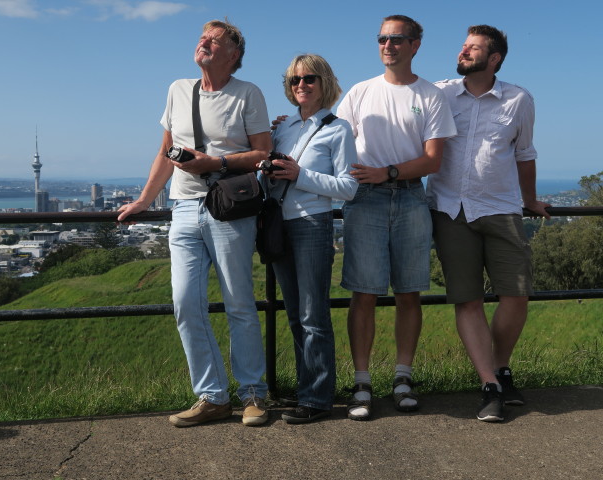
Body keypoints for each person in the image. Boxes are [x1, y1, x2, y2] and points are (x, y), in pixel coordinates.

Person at [117, 19, 272, 427]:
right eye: (202, 37)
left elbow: (262, 154)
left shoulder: (247, 94)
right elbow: (165, 151)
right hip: (183, 207)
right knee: (185, 304)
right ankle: (212, 396)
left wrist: (215, 162)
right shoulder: (177, 89)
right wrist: (144, 201)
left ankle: (253, 394)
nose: (203, 43)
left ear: (233, 54)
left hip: (229, 208)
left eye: (214, 40)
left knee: (240, 303)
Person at [427, 25, 551, 422]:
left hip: (501, 208)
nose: (464, 52)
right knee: (468, 300)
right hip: (449, 210)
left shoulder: (518, 99)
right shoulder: (441, 92)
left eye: (473, 48)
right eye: (463, 46)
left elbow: (525, 154)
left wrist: (529, 200)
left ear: (494, 58)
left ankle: (500, 366)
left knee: (516, 296)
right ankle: (491, 385)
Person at [337, 14, 457, 420]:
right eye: (382, 39)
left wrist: (387, 172)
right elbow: (332, 139)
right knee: (364, 293)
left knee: (409, 292)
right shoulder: (359, 92)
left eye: (397, 39)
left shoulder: (431, 96)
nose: (388, 45)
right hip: (365, 199)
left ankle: (403, 377)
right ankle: (362, 381)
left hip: (409, 199)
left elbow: (433, 159)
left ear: (415, 45)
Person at [262, 54, 357, 424]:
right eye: (293, 80)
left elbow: (348, 188)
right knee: (293, 316)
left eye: (309, 79)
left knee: (312, 314)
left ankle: (316, 399)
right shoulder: (282, 128)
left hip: (312, 224)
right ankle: (307, 389)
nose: (301, 85)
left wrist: (299, 174)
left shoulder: (338, 128)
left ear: (325, 82)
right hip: (278, 225)